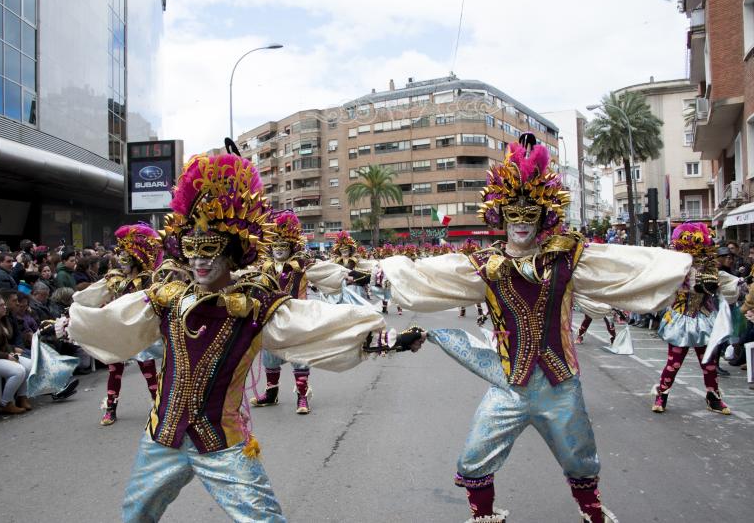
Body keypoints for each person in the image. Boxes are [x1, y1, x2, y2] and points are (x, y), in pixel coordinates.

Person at [68, 151, 421, 522]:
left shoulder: (254, 306)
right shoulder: (165, 300)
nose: (199, 262)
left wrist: (380, 339)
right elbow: (113, 321)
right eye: (192, 251)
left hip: (222, 444)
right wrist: (67, 325)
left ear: (233, 252)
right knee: (134, 517)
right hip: (161, 439)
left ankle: (298, 394)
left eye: (210, 251)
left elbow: (312, 323)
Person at [380, 135, 692, 523]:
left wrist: (676, 270)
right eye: (514, 214)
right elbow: (432, 276)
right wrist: (389, 270)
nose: (522, 222)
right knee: (474, 456)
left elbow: (623, 266)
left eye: (531, 215)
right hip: (509, 384)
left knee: (580, 457)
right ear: (501, 216)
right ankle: (484, 516)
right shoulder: (484, 265)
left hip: (560, 384)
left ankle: (592, 510)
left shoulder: (568, 258)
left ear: (545, 216)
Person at [250, 210, 350, 414]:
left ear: (291, 248)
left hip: (297, 317)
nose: (278, 250)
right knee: (269, 356)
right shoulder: (263, 267)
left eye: (283, 246)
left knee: (300, 356)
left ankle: (302, 397)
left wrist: (354, 275)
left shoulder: (302, 266)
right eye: (275, 246)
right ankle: (271, 394)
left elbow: (327, 272)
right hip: (271, 317)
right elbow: (243, 277)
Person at [74, 224, 163, 426]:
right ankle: (111, 409)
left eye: (125, 259)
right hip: (117, 329)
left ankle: (159, 407)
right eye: (120, 258)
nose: (121, 263)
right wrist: (76, 305)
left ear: (136, 260)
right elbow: (92, 295)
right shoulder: (114, 279)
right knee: (115, 370)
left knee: (148, 369)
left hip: (138, 330)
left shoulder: (148, 281)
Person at [653, 226, 741, 415]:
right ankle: (662, 394)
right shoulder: (676, 266)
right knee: (674, 363)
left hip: (703, 318)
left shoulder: (709, 264)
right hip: (681, 319)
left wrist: (739, 281)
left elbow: (717, 282)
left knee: (708, 362)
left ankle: (713, 397)